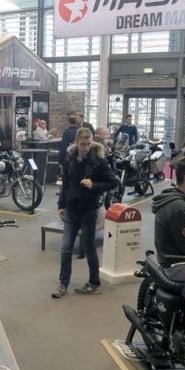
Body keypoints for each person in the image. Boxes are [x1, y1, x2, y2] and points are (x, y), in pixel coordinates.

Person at [53, 128, 116, 298]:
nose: (86, 148)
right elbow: (65, 184)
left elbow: (113, 181)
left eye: (88, 144)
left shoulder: (99, 160)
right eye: (82, 144)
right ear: (76, 143)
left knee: (89, 248)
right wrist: (61, 205)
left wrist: (94, 184)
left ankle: (94, 283)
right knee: (66, 249)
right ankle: (63, 284)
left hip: (89, 210)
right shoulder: (69, 158)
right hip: (71, 210)